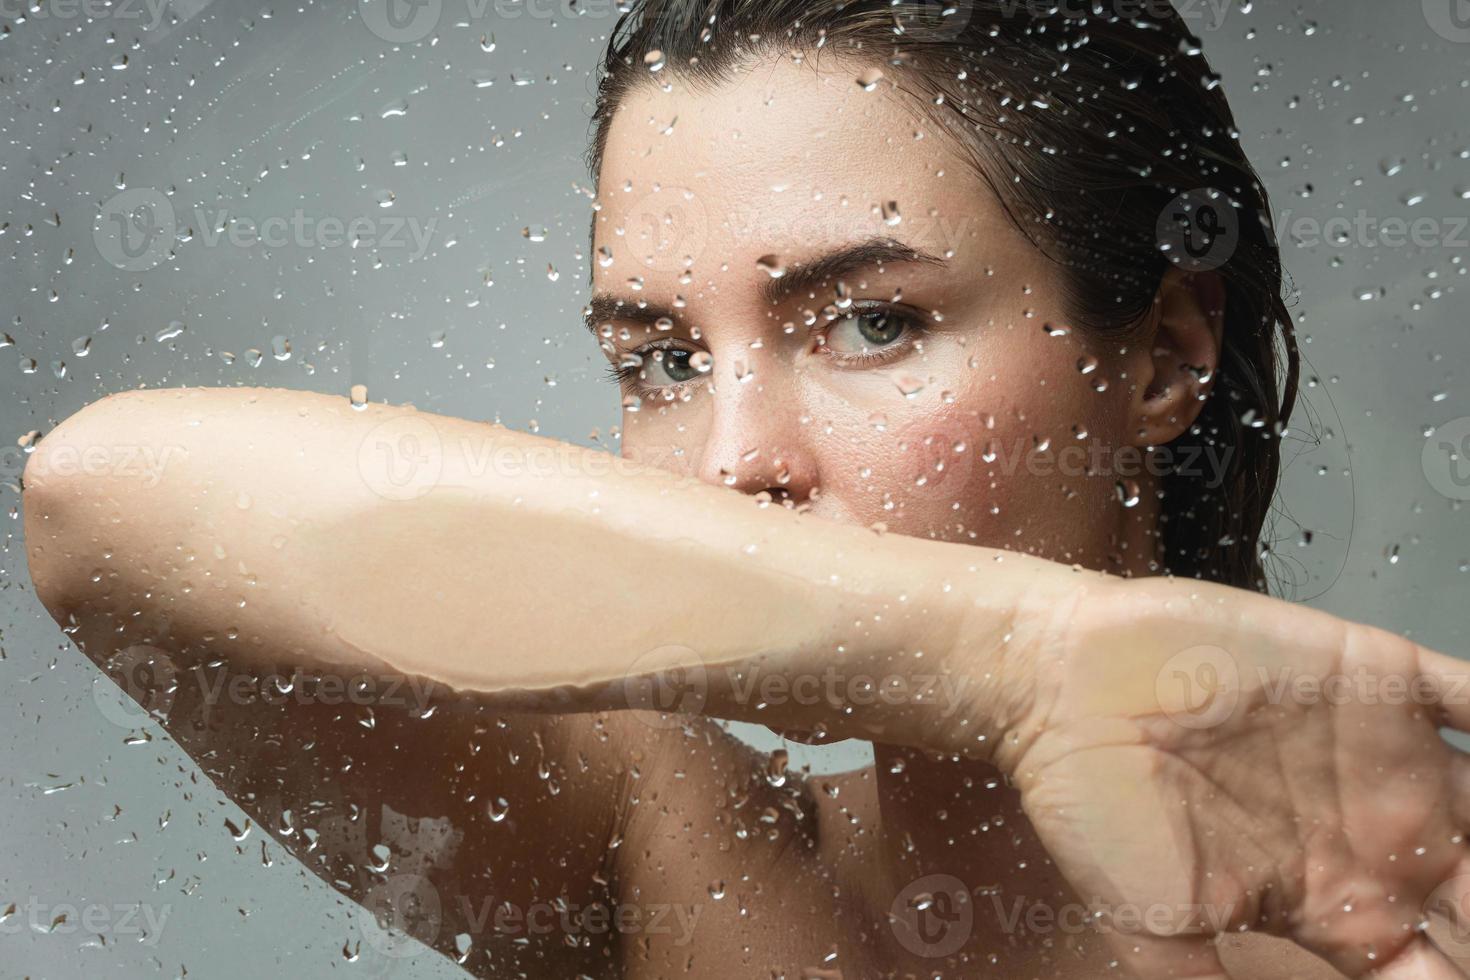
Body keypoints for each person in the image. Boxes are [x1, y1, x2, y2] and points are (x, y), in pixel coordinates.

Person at [21, 2, 1470, 977]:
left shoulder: (1425, 909)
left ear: (1160, 352)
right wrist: (1016, 665)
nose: (731, 466)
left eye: (872, 322)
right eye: (658, 360)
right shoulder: (678, 851)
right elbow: (103, 500)